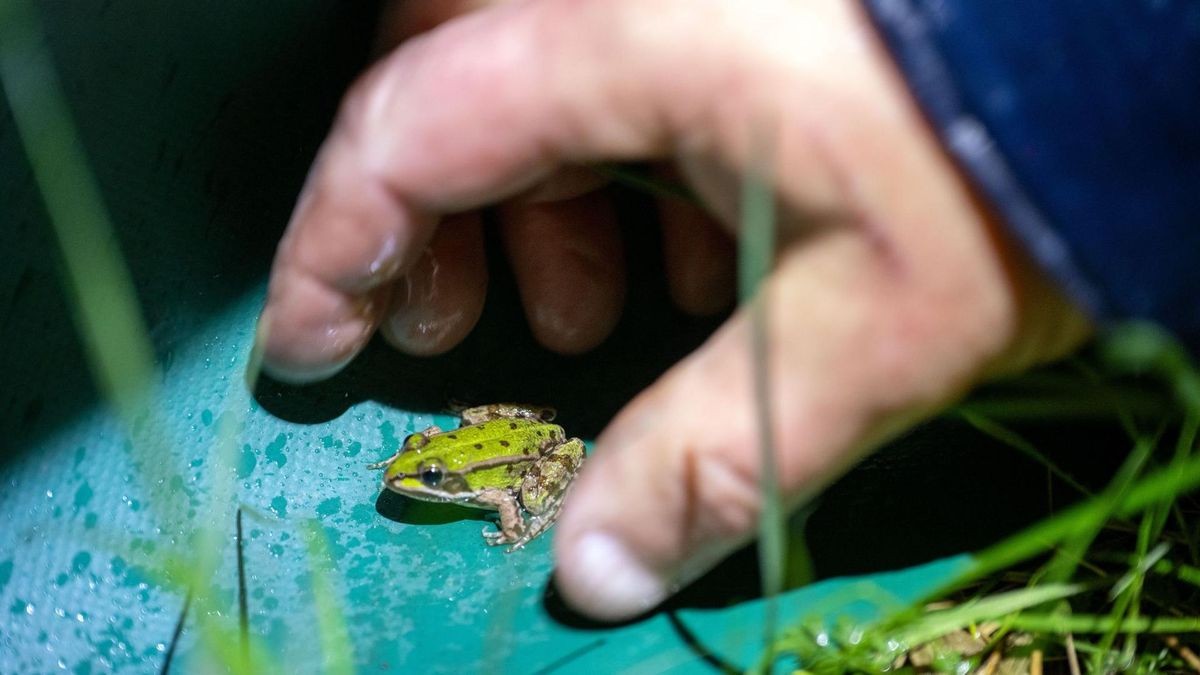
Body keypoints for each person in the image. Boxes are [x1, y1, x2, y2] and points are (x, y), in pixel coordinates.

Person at [255, 0, 1200, 620]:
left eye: (423, 473)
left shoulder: (485, 484)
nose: (411, 475)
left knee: (535, 452)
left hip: (529, 450)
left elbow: (515, 486)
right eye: (421, 472)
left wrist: (1021, 112)